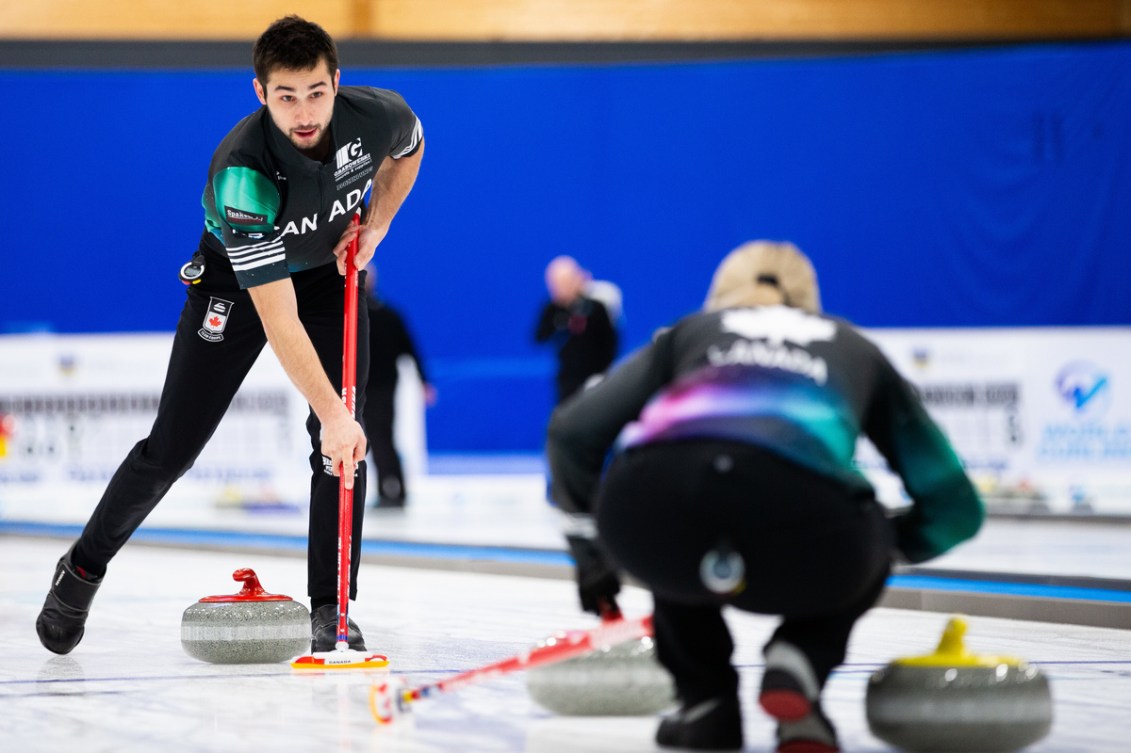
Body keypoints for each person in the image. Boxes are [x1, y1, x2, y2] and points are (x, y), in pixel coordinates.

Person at [36, 15, 424, 656]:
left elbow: (410, 150)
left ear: (337, 84)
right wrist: (332, 411)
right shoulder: (241, 173)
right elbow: (277, 317)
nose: (304, 113)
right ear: (259, 93)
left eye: (316, 93)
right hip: (238, 289)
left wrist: (376, 225)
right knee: (173, 450)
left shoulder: (381, 115)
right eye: (285, 96)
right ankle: (82, 567)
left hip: (329, 276)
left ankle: (331, 606)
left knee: (338, 449)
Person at [546, 241, 984, 752]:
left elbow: (571, 434)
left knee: (675, 495)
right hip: (806, 525)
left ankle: (706, 703)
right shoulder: (853, 347)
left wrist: (591, 552)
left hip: (656, 516)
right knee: (869, 528)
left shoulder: (691, 332)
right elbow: (955, 504)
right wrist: (885, 547)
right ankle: (802, 656)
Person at [363, 264, 436, 509]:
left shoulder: (382, 314)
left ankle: (392, 490)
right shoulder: (381, 313)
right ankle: (393, 489)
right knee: (378, 438)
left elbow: (411, 349)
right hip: (372, 386)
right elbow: (411, 350)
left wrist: (424, 381)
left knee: (380, 438)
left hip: (377, 386)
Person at [534, 255, 619, 405]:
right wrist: (559, 324)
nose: (560, 288)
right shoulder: (552, 310)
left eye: (566, 282)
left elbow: (610, 341)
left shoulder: (595, 308)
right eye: (556, 284)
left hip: (596, 377)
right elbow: (539, 337)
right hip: (567, 378)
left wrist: (604, 371)